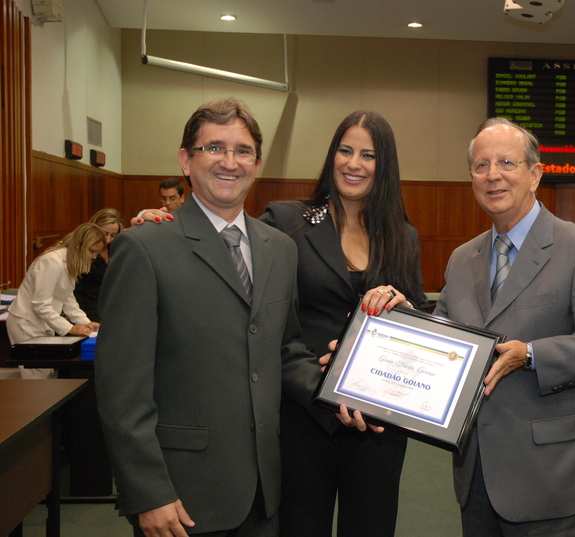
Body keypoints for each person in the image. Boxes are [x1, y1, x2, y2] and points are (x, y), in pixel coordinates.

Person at [95, 98, 321, 537]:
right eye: (214, 148)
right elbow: (121, 388)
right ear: (186, 160)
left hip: (264, 492)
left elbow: (285, 349)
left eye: (242, 151)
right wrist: (148, 492)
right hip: (181, 498)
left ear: (257, 165)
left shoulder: (281, 249)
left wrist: (342, 391)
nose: (229, 162)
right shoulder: (144, 248)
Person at [432, 117, 575, 536]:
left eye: (507, 162)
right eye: (481, 165)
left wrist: (531, 355)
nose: (493, 175)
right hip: (476, 476)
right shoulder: (462, 259)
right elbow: (441, 341)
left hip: (552, 480)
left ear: (535, 174)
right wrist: (392, 320)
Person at [259, 111, 427, 537]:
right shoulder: (287, 222)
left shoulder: (402, 235)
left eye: (368, 155)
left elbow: (421, 318)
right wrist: (165, 230)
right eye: (345, 150)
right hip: (302, 414)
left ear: (383, 165)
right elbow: (233, 266)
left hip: (378, 425)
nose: (354, 163)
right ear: (332, 155)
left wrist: (404, 306)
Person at [6, 222, 104, 344]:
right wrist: (70, 328)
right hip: (26, 323)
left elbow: (67, 298)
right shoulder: (52, 261)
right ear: (79, 245)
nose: (94, 257)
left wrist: (86, 323)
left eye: (97, 253)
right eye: (92, 251)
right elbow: (40, 304)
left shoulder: (69, 261)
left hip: (42, 323)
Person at [74, 208, 124, 321]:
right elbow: (75, 289)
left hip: (113, 309)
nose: (108, 239)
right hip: (87, 310)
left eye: (113, 235)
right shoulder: (83, 249)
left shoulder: (117, 249)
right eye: (104, 234)